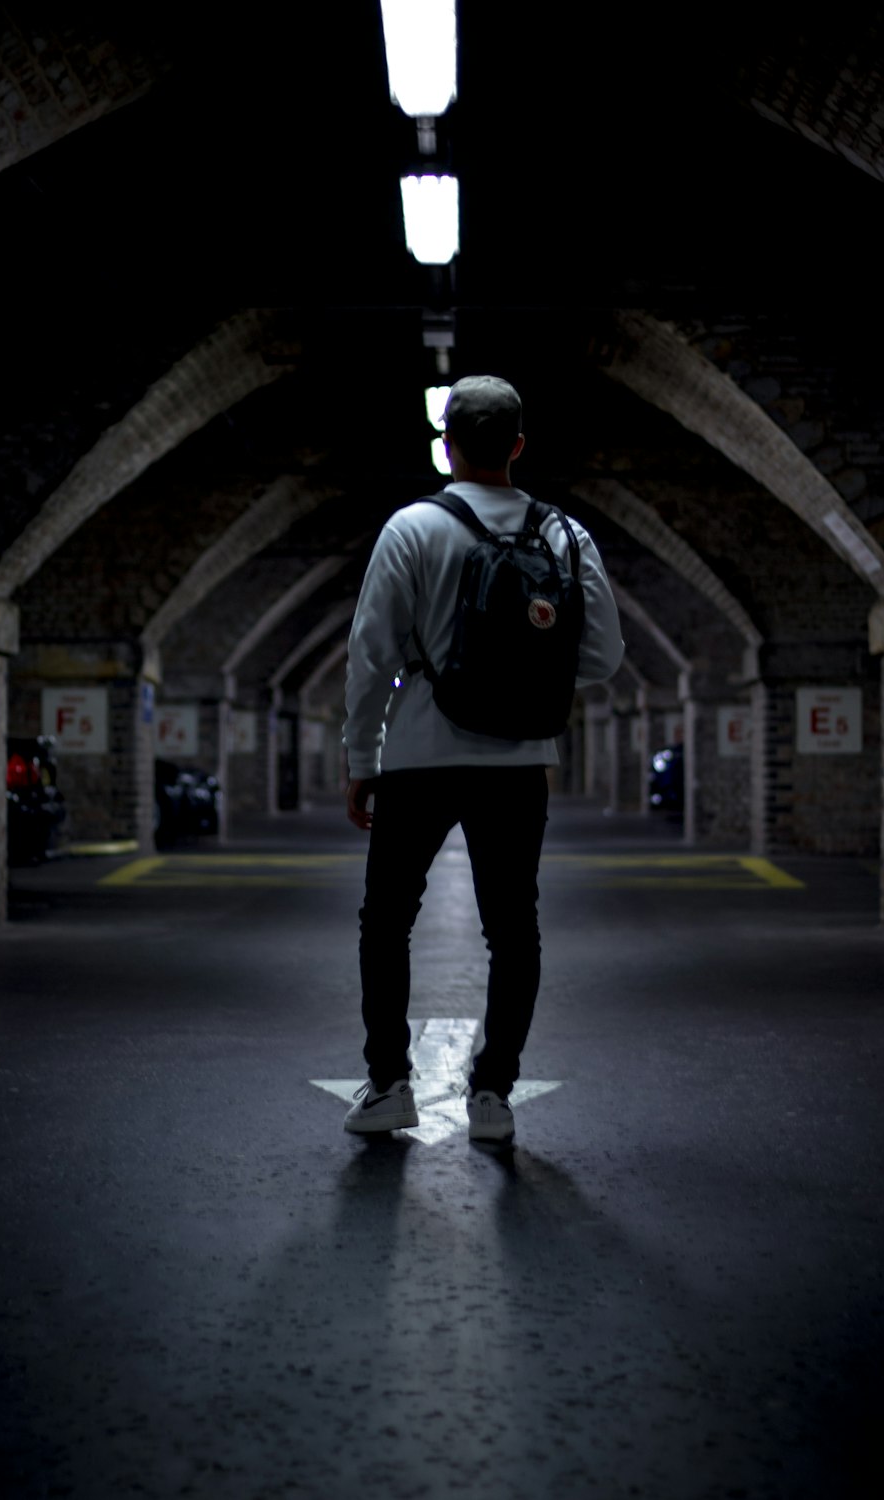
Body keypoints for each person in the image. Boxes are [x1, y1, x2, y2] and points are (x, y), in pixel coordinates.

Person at [341, 375, 624, 1141]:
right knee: (515, 930)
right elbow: (602, 656)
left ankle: (389, 1084)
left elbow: (370, 656)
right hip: (519, 762)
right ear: (520, 446)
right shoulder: (565, 535)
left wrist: (360, 757)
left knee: (387, 923)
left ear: (448, 445)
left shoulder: (411, 529)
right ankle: (493, 1096)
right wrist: (529, 670)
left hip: (418, 759)